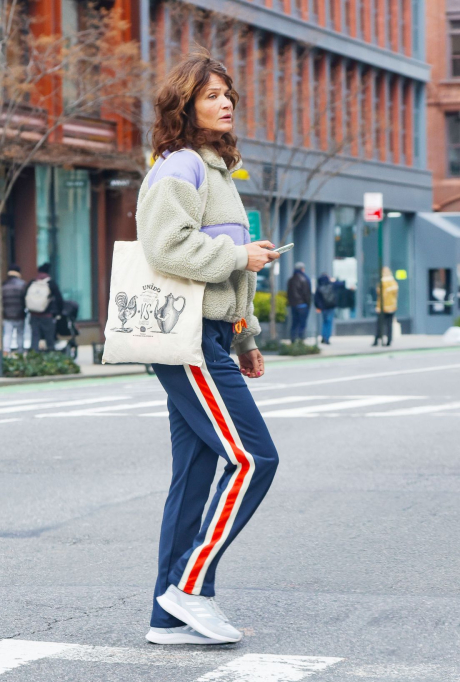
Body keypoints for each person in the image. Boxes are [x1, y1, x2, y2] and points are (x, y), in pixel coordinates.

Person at [137, 51, 280, 646]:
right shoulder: (178, 166)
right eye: (211, 95)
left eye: (228, 94)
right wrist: (237, 256)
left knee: (195, 474)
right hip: (188, 339)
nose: (225, 102)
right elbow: (165, 247)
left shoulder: (217, 170)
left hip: (213, 334)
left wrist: (244, 337)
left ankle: (168, 619)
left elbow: (224, 272)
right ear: (186, 105)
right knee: (254, 459)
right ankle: (189, 588)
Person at [25, 262, 63, 352]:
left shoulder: (32, 282)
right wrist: (58, 312)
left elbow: (24, 296)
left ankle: (34, 357)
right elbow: (59, 299)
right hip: (47, 315)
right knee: (49, 338)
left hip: (33, 315)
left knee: (35, 337)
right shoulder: (51, 283)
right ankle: (50, 357)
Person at [2, 264, 26, 354]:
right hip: (19, 314)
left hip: (7, 314)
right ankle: (20, 352)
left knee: (7, 334)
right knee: (20, 334)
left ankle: (5, 352)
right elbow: (24, 300)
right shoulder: (22, 284)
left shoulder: (4, 285)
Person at [373, 266, 399, 347]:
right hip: (391, 307)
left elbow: (380, 294)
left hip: (383, 307)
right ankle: (388, 340)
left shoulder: (383, 283)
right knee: (389, 324)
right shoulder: (393, 282)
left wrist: (378, 306)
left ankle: (377, 339)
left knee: (380, 324)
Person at [287, 262, 311, 342]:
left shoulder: (291, 280)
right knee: (302, 324)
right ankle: (301, 340)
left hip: (294, 305)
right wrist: (308, 304)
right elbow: (307, 293)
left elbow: (289, 293)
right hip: (302, 305)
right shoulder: (304, 279)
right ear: (302, 269)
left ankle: (293, 340)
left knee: (294, 323)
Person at [314, 273, 337, 344]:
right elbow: (342, 285)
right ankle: (327, 338)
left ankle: (324, 337)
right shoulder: (332, 285)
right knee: (329, 323)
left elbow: (316, 298)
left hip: (323, 308)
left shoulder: (319, 287)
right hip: (331, 306)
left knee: (325, 322)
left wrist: (318, 307)